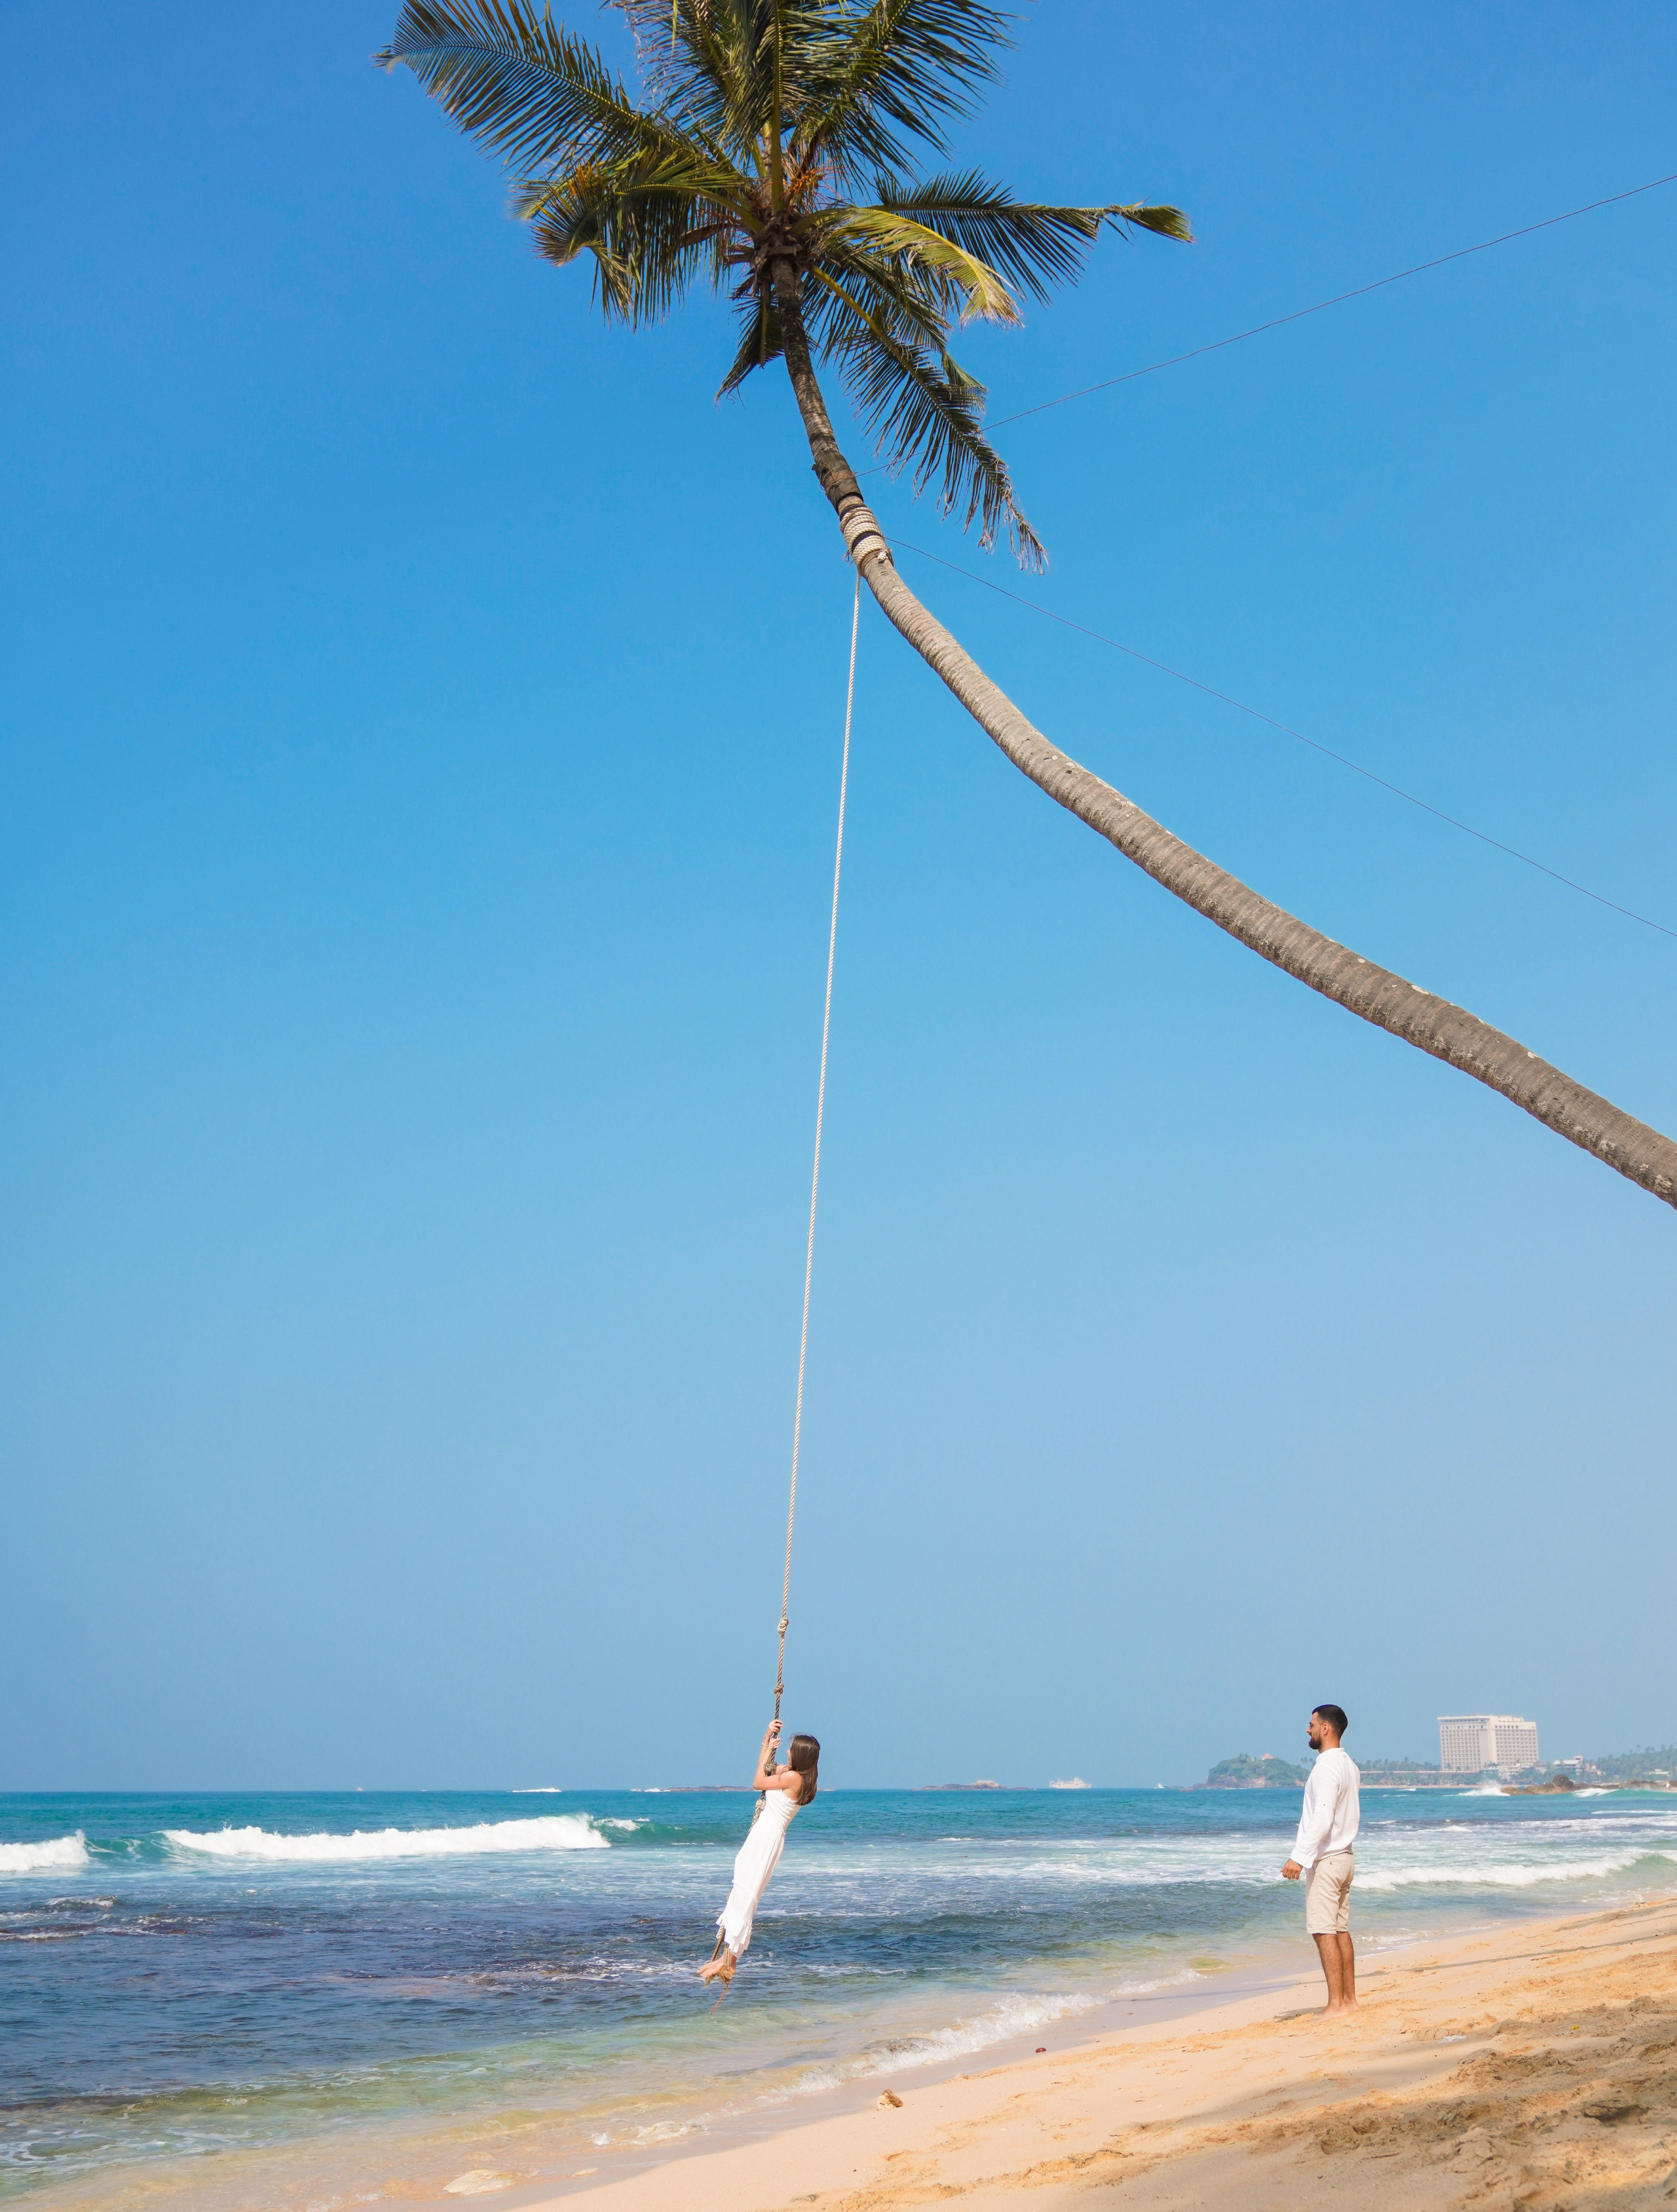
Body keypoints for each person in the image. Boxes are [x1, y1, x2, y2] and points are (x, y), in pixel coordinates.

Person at [699, 1719, 820, 1988]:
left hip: (766, 1836)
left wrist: (767, 1745)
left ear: (800, 1755)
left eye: (790, 1750)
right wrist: (767, 1740)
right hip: (768, 1836)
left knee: (745, 1890)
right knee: (744, 1889)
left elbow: (757, 1782)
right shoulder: (798, 1776)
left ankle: (729, 1961)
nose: (787, 1753)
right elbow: (765, 1769)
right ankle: (730, 1957)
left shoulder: (792, 1777)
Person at [1281, 1703, 1360, 2015]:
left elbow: (1323, 1817)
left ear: (1325, 1728)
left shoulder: (1326, 1767)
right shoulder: (1349, 1765)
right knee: (1339, 1929)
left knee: (1322, 1930)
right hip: (1345, 1858)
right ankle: (1349, 2001)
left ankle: (1336, 2004)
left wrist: (1298, 1858)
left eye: (1312, 1723)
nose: (1308, 1729)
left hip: (1328, 1861)